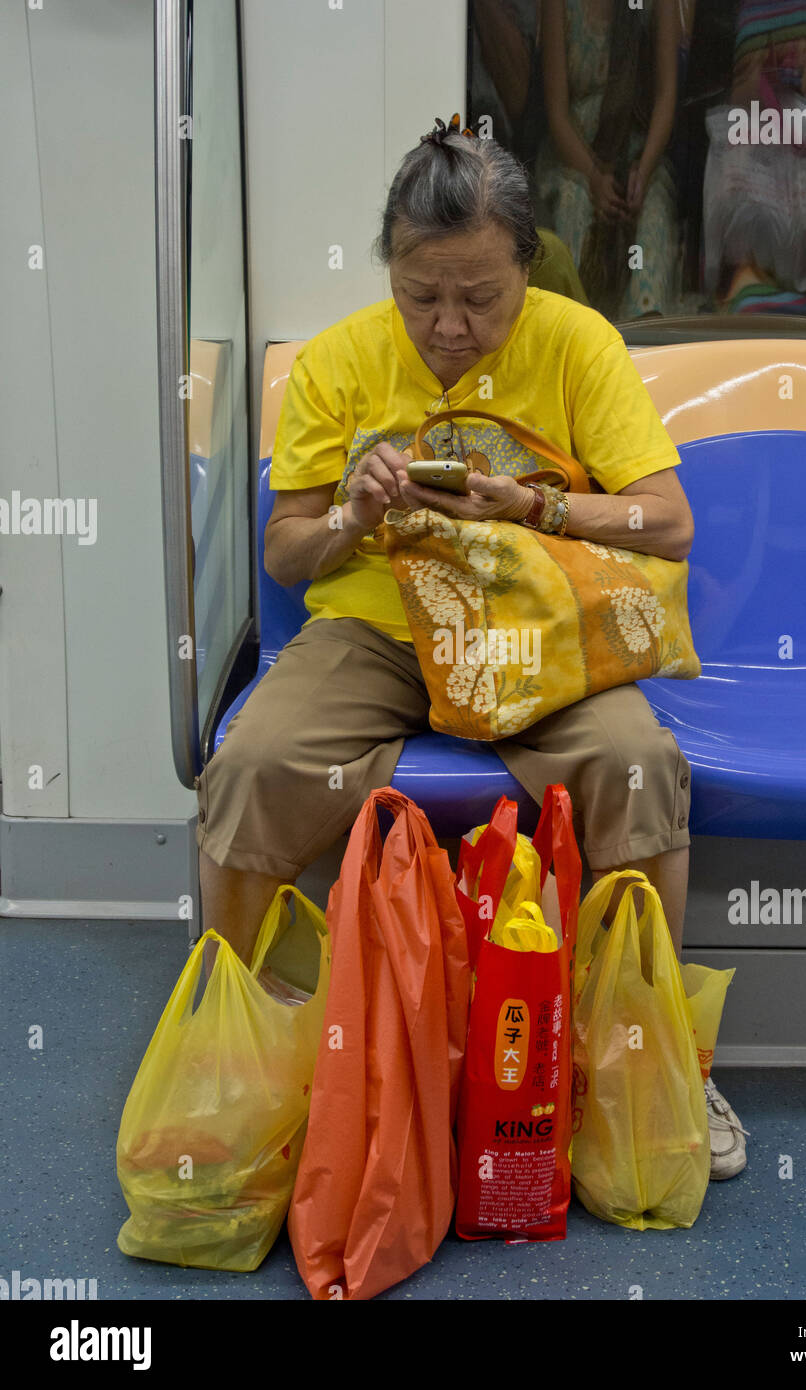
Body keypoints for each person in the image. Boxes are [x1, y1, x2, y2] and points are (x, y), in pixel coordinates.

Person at [193, 116, 746, 1181]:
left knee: (639, 765)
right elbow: (291, 553)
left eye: (479, 298)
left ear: (525, 271)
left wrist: (539, 509)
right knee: (253, 765)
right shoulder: (341, 362)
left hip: (535, 634)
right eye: (420, 295)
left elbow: (666, 523)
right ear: (391, 271)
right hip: (377, 628)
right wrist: (353, 516)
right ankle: (239, 1052)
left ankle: (651, 1056)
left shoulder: (579, 342)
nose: (447, 326)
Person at [533, 0, 681, 318]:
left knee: (653, 213)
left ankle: (645, 332)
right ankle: (575, 334)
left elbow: (666, 95)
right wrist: (593, 177)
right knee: (573, 207)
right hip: (574, 158)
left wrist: (643, 170)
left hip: (639, 155)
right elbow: (557, 113)